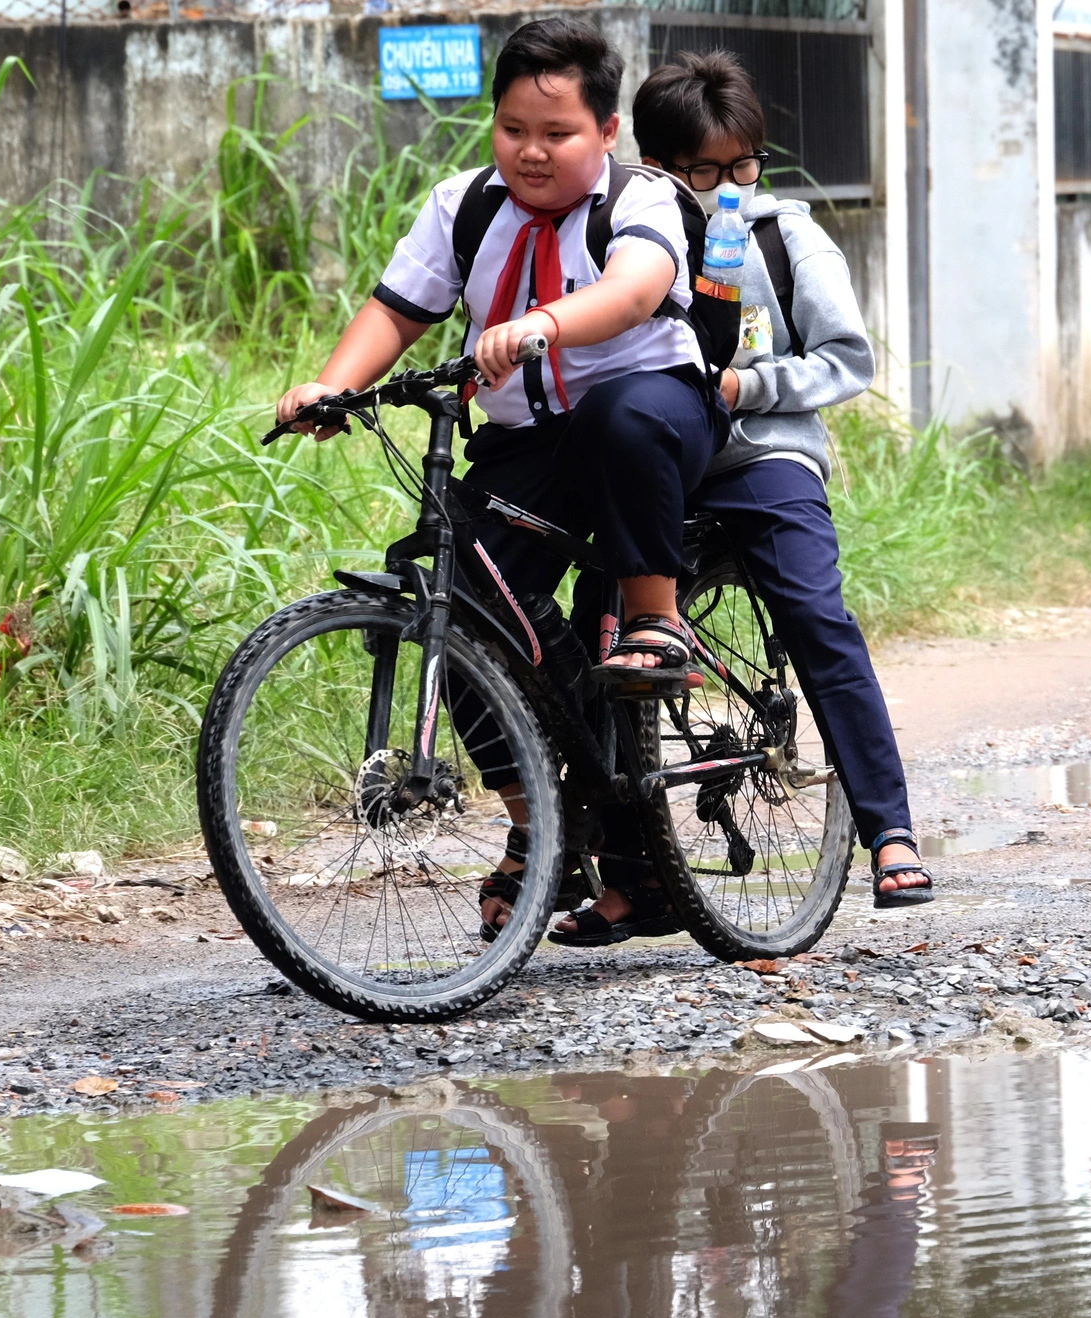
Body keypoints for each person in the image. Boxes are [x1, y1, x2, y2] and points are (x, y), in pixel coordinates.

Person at [275, 18, 729, 937]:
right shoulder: (465, 204)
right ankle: (541, 829)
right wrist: (332, 385)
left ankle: (655, 614)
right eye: (512, 128)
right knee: (451, 579)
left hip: (652, 416)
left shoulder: (641, 199)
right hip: (528, 441)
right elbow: (399, 310)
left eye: (557, 134)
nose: (531, 152)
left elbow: (637, 289)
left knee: (619, 412)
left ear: (606, 133)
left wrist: (547, 325)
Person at [609, 49, 932, 916]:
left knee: (815, 613)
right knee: (602, 633)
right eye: (701, 169)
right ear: (654, 162)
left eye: (740, 165)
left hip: (761, 453)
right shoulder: (624, 235)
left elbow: (846, 357)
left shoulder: (782, 235)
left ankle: (888, 828)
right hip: (661, 462)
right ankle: (631, 870)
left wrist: (748, 385)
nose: (724, 184)